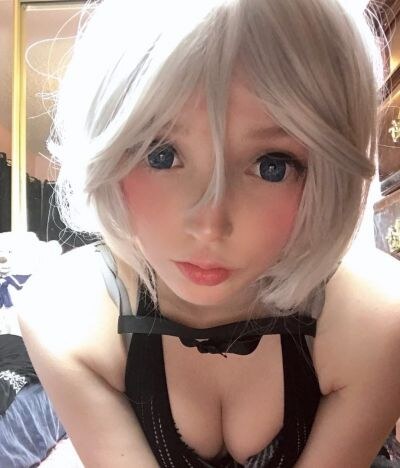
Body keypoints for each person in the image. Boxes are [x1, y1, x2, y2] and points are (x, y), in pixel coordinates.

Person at [17, 0, 400, 466]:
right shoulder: (65, 312)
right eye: (160, 155)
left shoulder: (378, 315)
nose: (209, 224)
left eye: (272, 165)